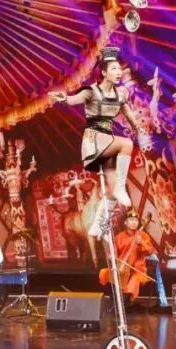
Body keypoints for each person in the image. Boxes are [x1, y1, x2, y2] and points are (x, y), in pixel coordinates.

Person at [48, 47, 137, 238]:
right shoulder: (91, 92)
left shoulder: (119, 94)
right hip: (94, 139)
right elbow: (73, 100)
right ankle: (120, 187)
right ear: (104, 72)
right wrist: (63, 98)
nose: (118, 72)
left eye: (119, 69)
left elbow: (128, 114)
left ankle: (99, 224)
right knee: (127, 144)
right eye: (114, 69)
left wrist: (138, 126)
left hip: (108, 142)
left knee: (111, 192)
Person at [99, 211, 156, 307]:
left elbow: (150, 251)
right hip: (122, 267)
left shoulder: (143, 235)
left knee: (134, 280)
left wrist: (141, 243)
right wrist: (111, 256)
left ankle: (126, 302)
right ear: (125, 222)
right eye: (131, 220)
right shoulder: (119, 237)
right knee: (106, 273)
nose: (134, 222)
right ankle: (116, 302)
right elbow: (113, 253)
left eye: (136, 220)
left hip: (137, 269)